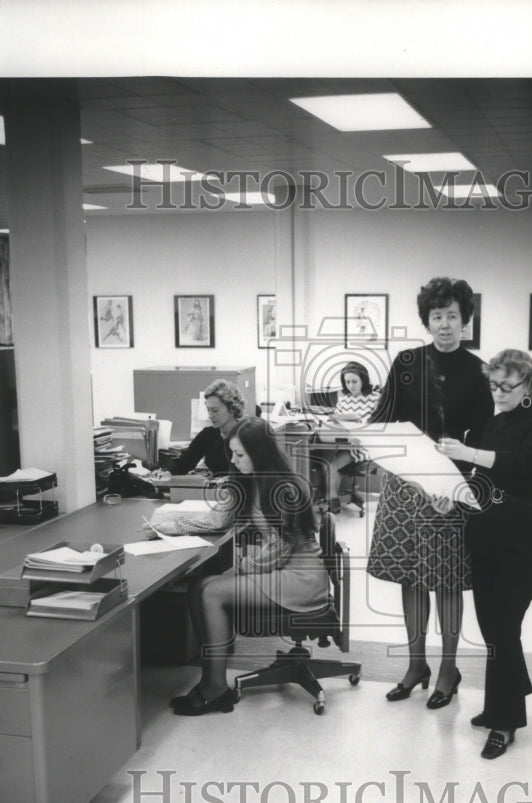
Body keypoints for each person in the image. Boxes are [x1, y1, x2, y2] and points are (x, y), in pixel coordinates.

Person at [148, 417, 330, 716]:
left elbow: (280, 552)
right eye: (232, 453)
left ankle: (215, 688)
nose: (233, 460)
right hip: (277, 570)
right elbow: (216, 520)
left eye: (240, 454)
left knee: (212, 591)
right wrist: (164, 525)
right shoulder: (246, 479)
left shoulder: (287, 487)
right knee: (200, 587)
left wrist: (239, 568)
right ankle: (211, 678)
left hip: (301, 576)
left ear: (260, 452)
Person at [367, 276, 493, 707]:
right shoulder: (405, 362)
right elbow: (380, 421)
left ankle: (447, 669)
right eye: (437, 316)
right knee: (410, 576)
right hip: (406, 484)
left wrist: (457, 485)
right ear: (427, 320)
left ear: (465, 321)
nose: (444, 324)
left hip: (450, 486)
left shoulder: (479, 371)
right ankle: (416, 663)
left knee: (447, 581)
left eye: (452, 316)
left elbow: (484, 439)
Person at [437, 349, 532, 759]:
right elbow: (481, 481)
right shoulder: (490, 424)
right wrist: (453, 497)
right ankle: (501, 700)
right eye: (493, 384)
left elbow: (521, 464)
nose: (498, 392)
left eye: (507, 385)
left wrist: (468, 453)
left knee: (505, 626)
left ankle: (505, 721)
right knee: (492, 628)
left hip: (524, 534)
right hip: (485, 529)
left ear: (528, 385)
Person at [324, 361, 380, 513]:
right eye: (347, 382)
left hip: (363, 445)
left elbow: (376, 425)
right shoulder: (344, 399)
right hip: (344, 442)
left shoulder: (374, 398)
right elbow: (334, 420)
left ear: (363, 380)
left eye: (354, 381)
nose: (351, 386)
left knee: (331, 464)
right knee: (325, 457)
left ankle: (332, 499)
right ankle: (332, 498)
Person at [166, 379, 246, 477]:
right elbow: (184, 463)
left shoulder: (247, 435)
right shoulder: (208, 435)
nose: (210, 416)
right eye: (208, 410)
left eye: (215, 410)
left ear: (232, 409)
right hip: (217, 490)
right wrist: (168, 474)